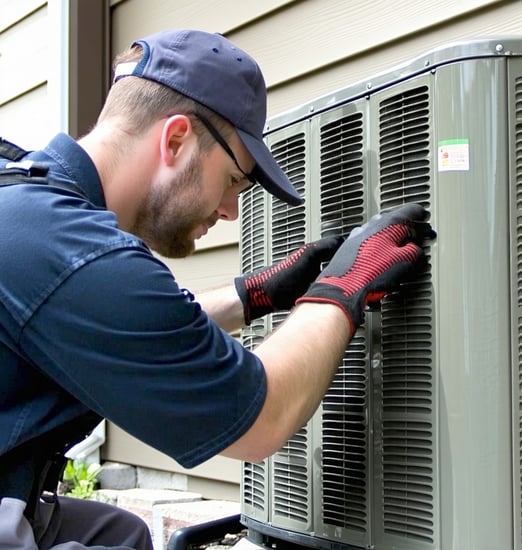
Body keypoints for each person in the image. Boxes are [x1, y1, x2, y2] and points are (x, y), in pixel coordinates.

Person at [0, 29, 435, 550]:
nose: (231, 211)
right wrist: (344, 288)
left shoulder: (31, 202)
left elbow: (123, 329)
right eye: (232, 180)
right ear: (176, 139)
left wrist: (253, 296)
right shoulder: (72, 250)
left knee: (122, 534)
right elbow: (262, 419)